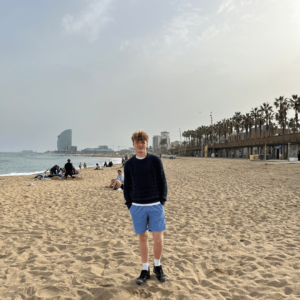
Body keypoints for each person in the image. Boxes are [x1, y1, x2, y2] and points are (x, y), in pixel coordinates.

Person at [124, 130, 168, 286]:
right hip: (137, 206)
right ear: (134, 144)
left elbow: (163, 182)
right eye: (138, 142)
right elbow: (127, 186)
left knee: (158, 238)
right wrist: (129, 204)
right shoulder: (129, 164)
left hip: (155, 205)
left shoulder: (155, 161)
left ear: (146, 143)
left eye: (143, 142)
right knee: (142, 237)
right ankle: (145, 269)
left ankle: (157, 266)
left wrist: (161, 201)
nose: (140, 144)